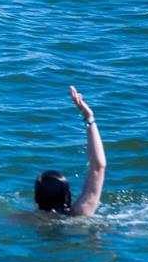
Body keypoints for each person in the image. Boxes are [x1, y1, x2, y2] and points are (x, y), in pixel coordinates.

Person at [34, 86, 106, 217]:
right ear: (67, 194)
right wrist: (89, 119)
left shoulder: (26, 220)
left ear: (36, 197)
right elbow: (98, 167)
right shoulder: (80, 212)